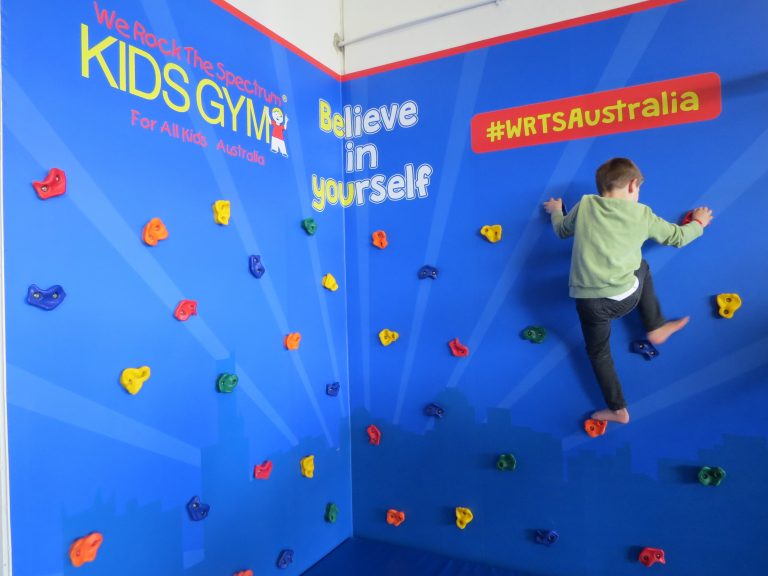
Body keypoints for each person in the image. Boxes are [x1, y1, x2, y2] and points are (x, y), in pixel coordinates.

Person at [543, 158, 713, 424]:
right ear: (633, 184)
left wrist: (556, 210)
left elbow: (562, 230)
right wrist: (699, 223)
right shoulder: (642, 214)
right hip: (627, 297)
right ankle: (655, 325)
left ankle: (618, 410)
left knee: (598, 353)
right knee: (642, 265)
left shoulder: (586, 204)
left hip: (589, 304)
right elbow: (678, 238)